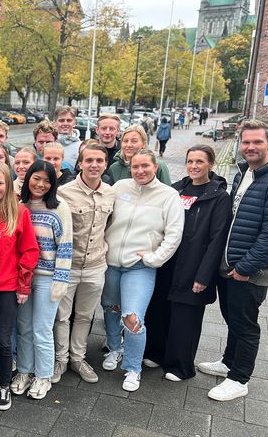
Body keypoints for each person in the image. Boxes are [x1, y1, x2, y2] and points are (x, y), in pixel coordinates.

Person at [198, 120, 268, 401]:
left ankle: (239, 379)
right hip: (231, 264)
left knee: (246, 325)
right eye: (246, 142)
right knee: (233, 319)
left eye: (257, 142)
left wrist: (245, 268)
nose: (250, 147)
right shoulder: (244, 173)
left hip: (248, 270)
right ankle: (229, 362)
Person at [142, 145, 231, 381]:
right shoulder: (176, 189)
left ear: (211, 164)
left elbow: (217, 239)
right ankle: (156, 353)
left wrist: (204, 276)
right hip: (168, 262)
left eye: (200, 162)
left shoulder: (218, 196)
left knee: (185, 318)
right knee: (159, 310)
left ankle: (180, 366)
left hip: (194, 265)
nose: (194, 166)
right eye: (190, 161)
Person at [101, 149, 184, 392]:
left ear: (155, 167)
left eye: (145, 166)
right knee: (111, 308)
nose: (140, 171)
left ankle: (133, 368)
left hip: (140, 267)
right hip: (111, 263)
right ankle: (115, 349)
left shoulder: (168, 196)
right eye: (135, 166)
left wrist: (154, 258)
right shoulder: (120, 188)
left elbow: (174, 233)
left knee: (133, 317)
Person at [0, 163, 39, 411]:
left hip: (7, 286)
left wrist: (23, 285)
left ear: (8, 185)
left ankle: (4, 383)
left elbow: (30, 251)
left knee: (3, 339)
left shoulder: (19, 212)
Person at [54, 143, 115, 384]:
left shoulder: (111, 193)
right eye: (89, 160)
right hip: (68, 266)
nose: (94, 165)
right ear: (80, 164)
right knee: (61, 316)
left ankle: (77, 358)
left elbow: (109, 226)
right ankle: (60, 359)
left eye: (99, 160)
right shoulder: (64, 193)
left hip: (95, 266)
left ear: (105, 164)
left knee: (84, 316)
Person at [12, 160, 73, 400]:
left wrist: (61, 279)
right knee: (24, 327)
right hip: (23, 277)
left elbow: (66, 246)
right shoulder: (20, 205)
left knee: (42, 329)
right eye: (36, 178)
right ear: (28, 179)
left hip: (48, 277)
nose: (41, 184)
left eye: (47, 180)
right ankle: (25, 371)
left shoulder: (60, 208)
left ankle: (44, 375)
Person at [106, 126, 171, 185]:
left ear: (144, 144)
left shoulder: (159, 166)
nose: (129, 145)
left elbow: (167, 193)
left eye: (134, 141)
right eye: (125, 141)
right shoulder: (114, 168)